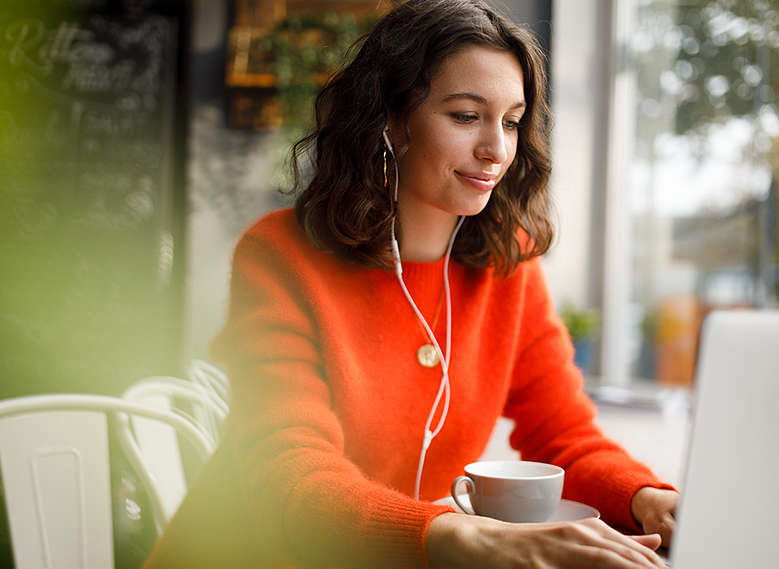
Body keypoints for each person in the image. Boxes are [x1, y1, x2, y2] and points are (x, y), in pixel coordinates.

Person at [146, 0, 679, 567]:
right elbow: (292, 473)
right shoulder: (281, 255)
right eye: (466, 116)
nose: (496, 150)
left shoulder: (508, 262)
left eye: (512, 121)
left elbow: (566, 436)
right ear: (392, 120)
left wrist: (648, 499)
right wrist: (460, 535)